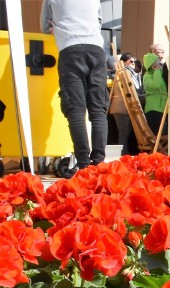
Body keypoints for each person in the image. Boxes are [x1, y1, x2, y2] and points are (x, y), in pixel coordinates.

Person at [40, 0, 109, 170]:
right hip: (96, 49)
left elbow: (44, 26)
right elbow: (99, 21)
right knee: (98, 109)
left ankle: (84, 163)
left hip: (70, 49)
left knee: (76, 110)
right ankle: (99, 162)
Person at [109, 53, 142, 155]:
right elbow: (130, 89)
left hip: (124, 108)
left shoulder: (129, 74)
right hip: (121, 108)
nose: (133, 63)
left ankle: (124, 154)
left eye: (134, 61)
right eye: (131, 61)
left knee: (125, 133)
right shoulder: (124, 74)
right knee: (123, 133)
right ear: (123, 62)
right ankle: (123, 155)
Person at [142, 52, 167, 137]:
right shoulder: (147, 76)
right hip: (153, 108)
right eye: (157, 62)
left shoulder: (158, 73)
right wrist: (157, 71)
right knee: (154, 134)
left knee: (159, 133)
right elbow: (156, 85)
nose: (159, 63)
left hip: (161, 107)